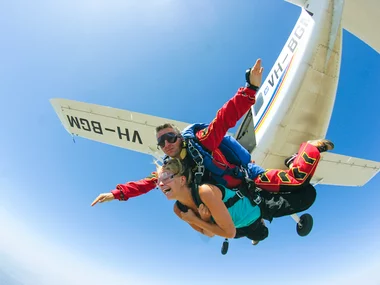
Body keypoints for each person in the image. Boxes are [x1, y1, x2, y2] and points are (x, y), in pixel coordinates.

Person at [156, 138, 334, 242]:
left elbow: (225, 232)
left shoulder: (203, 191)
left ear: (182, 179)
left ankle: (309, 149)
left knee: (303, 189)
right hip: (255, 214)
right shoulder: (180, 210)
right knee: (307, 196)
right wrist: (202, 218)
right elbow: (209, 232)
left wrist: (196, 219)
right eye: (159, 181)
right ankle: (293, 162)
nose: (160, 184)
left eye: (164, 179)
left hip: (256, 200)